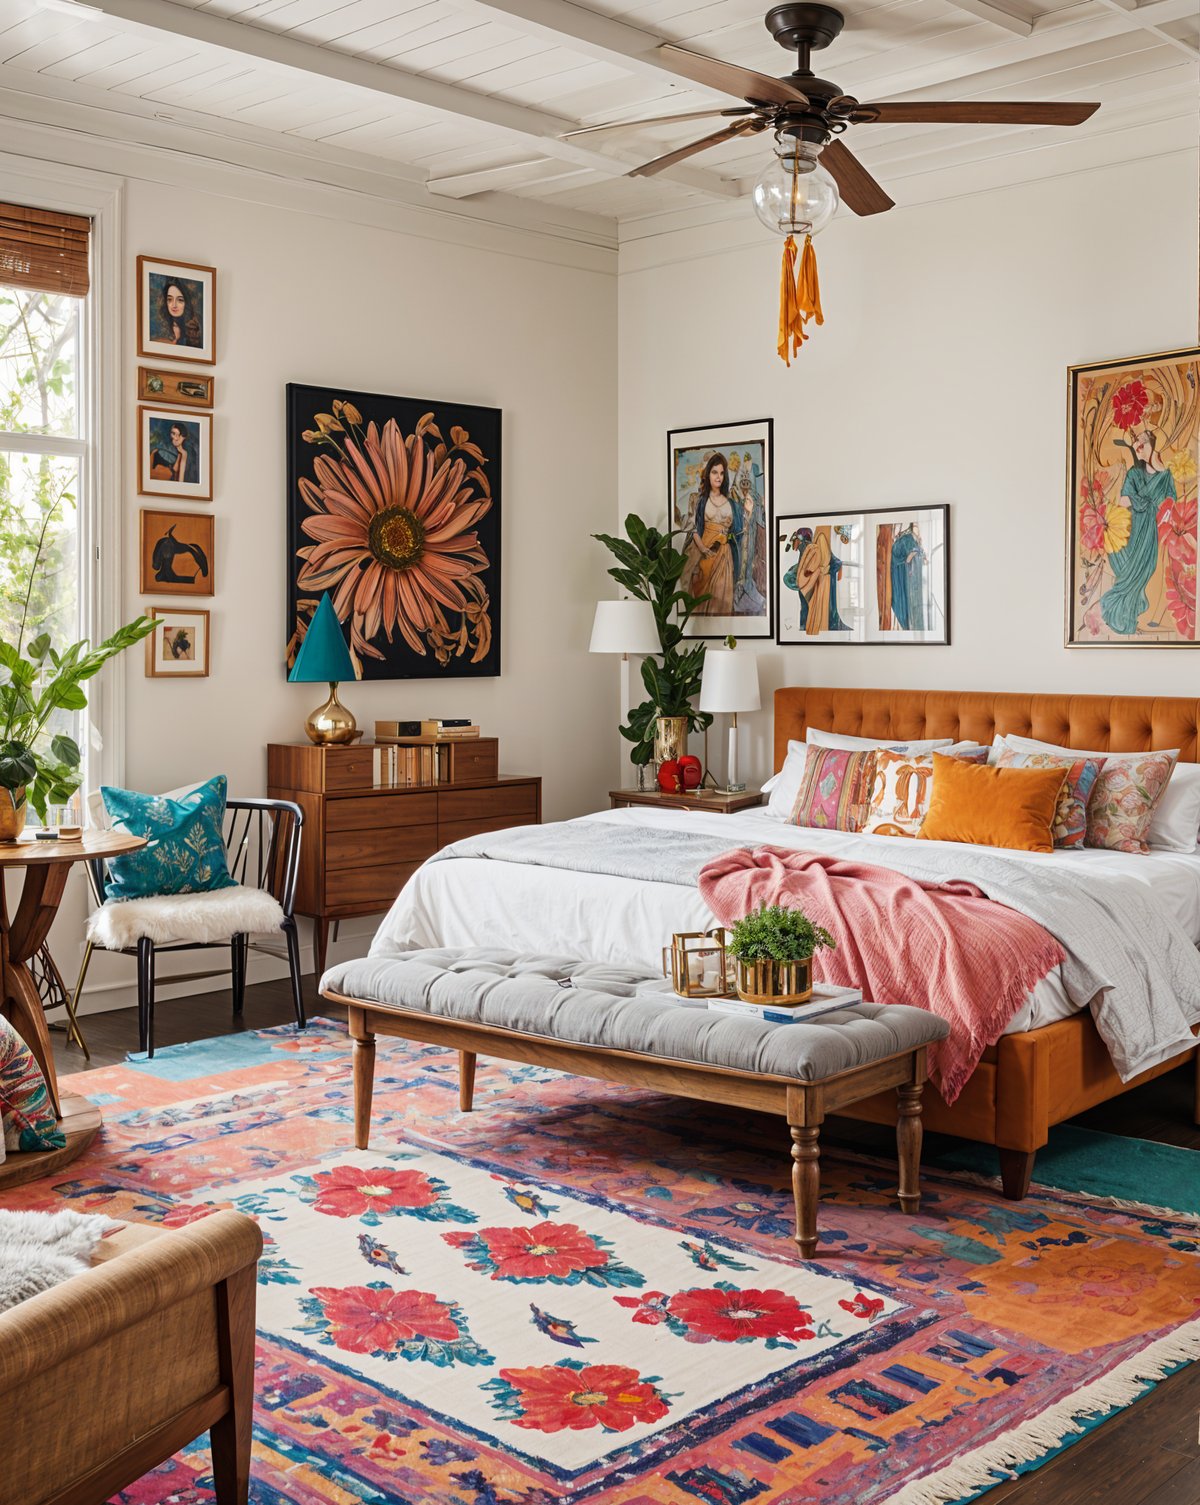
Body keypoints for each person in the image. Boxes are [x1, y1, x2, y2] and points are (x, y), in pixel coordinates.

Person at [1100, 430, 1177, 635]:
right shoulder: (1134, 473)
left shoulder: (1166, 476)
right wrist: (1141, 501)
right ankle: (1124, 618)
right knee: (1129, 574)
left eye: (1139, 446)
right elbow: (1124, 500)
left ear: (1147, 446)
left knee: (1144, 571)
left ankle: (1126, 617)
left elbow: (1172, 502)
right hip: (1132, 529)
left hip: (1150, 532)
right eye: (1135, 447)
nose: (1137, 449)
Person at [686, 452, 736, 615]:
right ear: (708, 474)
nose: (718, 477)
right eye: (714, 472)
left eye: (722, 473)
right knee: (700, 594)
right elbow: (693, 527)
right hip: (703, 549)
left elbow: (738, 529)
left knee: (721, 596)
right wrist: (702, 548)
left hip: (722, 553)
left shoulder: (731, 502)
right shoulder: (701, 500)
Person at [890, 523, 927, 630]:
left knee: (903, 606)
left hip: (901, 576)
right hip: (900, 576)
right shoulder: (906, 539)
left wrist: (907, 563)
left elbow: (911, 555)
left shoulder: (906, 539)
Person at [157, 278, 202, 348]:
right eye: (169, 299)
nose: (174, 305)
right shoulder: (165, 327)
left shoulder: (198, 326)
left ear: (188, 302)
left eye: (180, 300)